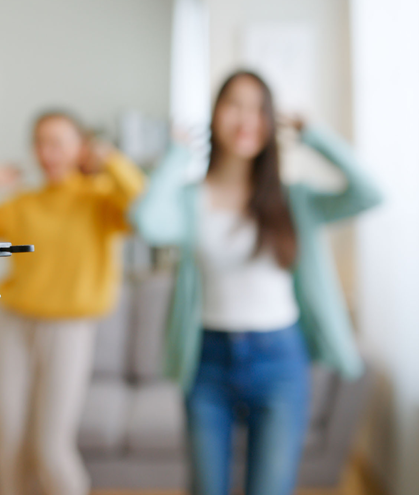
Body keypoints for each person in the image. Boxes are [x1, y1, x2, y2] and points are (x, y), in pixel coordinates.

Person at [131, 71, 382, 495]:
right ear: (215, 115)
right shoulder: (192, 199)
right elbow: (145, 220)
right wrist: (176, 156)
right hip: (207, 359)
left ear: (271, 121)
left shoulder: (293, 200)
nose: (246, 117)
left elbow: (369, 193)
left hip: (280, 359)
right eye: (234, 104)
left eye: (258, 107)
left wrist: (314, 136)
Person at [0, 111, 145, 495]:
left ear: (80, 147)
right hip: (12, 322)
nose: (47, 152)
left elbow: (145, 208)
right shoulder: (24, 203)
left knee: (50, 447)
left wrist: (109, 159)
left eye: (57, 142)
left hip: (69, 329)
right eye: (40, 142)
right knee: (5, 435)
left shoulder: (101, 199)